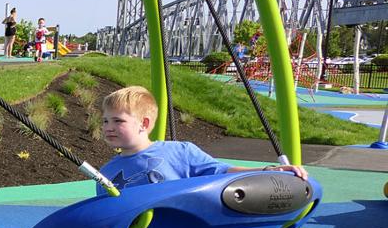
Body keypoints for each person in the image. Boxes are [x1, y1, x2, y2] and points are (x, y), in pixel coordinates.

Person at [96, 85, 308, 195]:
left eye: (118, 121)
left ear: (144, 123)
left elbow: (222, 171)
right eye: (105, 121)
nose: (108, 127)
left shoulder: (180, 152)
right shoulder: (105, 173)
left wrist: (267, 171)